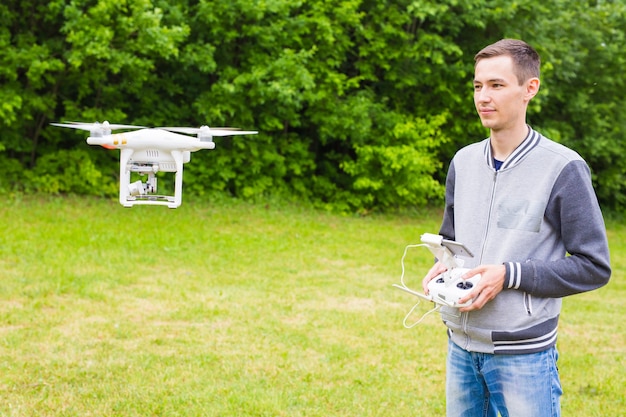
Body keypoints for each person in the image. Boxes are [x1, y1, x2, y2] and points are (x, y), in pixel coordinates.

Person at [421, 39, 611, 417]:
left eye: (496, 85)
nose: (483, 97)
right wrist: (443, 265)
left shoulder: (563, 168)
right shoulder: (463, 162)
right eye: (477, 86)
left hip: (524, 357)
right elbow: (453, 244)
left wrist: (509, 275)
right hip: (460, 347)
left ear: (530, 89)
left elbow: (594, 265)